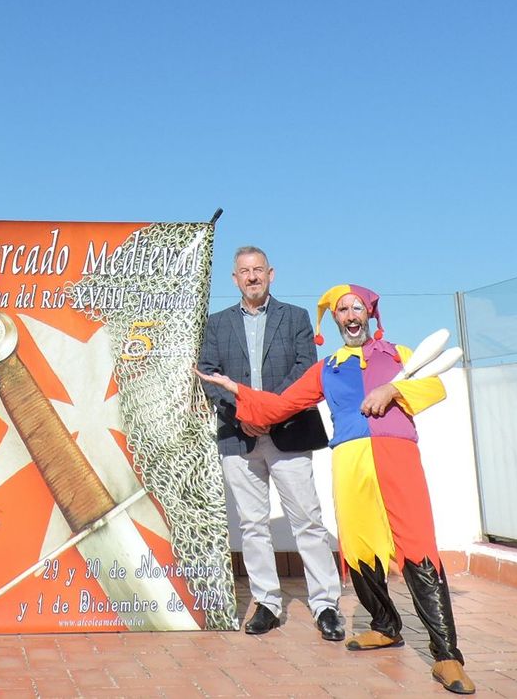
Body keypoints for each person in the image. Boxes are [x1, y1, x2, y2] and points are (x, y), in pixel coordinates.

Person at [195, 284, 475, 695]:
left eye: (356, 307)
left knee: (417, 545)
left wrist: (394, 389)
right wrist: (237, 391)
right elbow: (281, 405)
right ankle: (384, 625)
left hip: (397, 455)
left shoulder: (399, 356)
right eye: (342, 309)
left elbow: (434, 386)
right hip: (349, 460)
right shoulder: (327, 368)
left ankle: (447, 655)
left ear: (369, 314)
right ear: (335, 320)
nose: (350, 315)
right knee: (359, 546)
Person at [198, 246, 344, 640]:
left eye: (258, 270)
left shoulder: (295, 318)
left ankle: (326, 605)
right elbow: (208, 376)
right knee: (252, 525)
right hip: (238, 436)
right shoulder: (216, 324)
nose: (252, 277)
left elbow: (303, 373)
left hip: (289, 432)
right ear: (234, 279)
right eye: (244, 271)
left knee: (308, 522)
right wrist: (243, 417)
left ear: (271, 274)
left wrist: (266, 413)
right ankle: (266, 603)